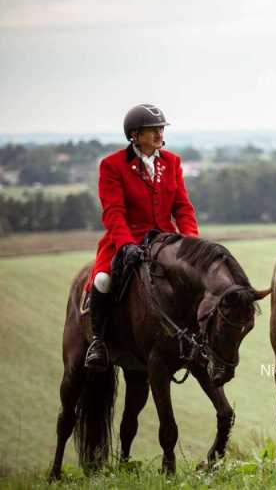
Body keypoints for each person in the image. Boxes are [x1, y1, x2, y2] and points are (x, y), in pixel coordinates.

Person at [84, 104, 199, 370]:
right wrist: (125, 244)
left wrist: (191, 240)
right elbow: (113, 211)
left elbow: (182, 207)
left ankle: (196, 335)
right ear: (134, 134)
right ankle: (99, 341)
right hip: (126, 238)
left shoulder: (172, 162)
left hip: (165, 239)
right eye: (153, 129)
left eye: (161, 128)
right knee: (102, 279)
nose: (159, 133)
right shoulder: (112, 165)